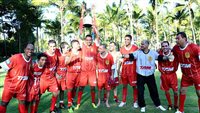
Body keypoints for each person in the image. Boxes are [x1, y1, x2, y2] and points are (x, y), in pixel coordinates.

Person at [123, 40, 166, 112]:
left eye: (143, 44)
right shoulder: (138, 52)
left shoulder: (153, 53)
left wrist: (169, 57)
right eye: (141, 44)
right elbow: (130, 55)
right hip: (140, 75)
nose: (141, 45)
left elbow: (161, 58)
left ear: (147, 44)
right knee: (140, 91)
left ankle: (158, 105)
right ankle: (142, 106)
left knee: (154, 91)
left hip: (150, 75)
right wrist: (122, 55)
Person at [76, 4, 100, 109]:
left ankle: (93, 102)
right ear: (86, 40)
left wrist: (94, 14)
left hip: (92, 72)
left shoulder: (95, 45)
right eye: (87, 40)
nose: (89, 41)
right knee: (81, 88)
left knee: (92, 88)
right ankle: (78, 103)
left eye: (90, 40)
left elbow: (97, 35)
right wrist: (82, 13)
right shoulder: (82, 45)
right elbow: (79, 32)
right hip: (83, 71)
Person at [0, 44, 34, 113]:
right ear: (24, 49)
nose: (30, 51)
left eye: (32, 49)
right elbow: (2, 66)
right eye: (28, 49)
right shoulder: (16, 57)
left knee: (22, 103)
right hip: (10, 86)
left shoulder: (30, 59)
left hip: (21, 88)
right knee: (4, 103)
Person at [173, 32, 200, 113]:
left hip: (197, 74)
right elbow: (172, 56)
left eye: (178, 38)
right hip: (185, 75)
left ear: (184, 38)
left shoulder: (193, 47)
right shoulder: (175, 48)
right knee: (182, 91)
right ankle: (181, 110)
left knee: (199, 94)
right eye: (176, 39)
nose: (176, 40)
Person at [118, 35, 139, 108]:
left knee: (134, 87)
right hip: (124, 71)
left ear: (130, 40)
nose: (126, 41)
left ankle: (135, 102)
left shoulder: (135, 48)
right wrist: (118, 69)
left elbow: (138, 58)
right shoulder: (122, 49)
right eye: (125, 39)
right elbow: (120, 60)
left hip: (133, 71)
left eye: (128, 39)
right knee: (124, 86)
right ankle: (123, 101)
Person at [158, 41, 179, 110]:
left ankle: (176, 105)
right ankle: (170, 104)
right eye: (163, 46)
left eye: (166, 45)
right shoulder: (159, 54)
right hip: (164, 75)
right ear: (161, 47)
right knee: (166, 91)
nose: (164, 47)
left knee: (175, 92)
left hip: (172, 75)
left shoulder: (174, 53)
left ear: (168, 46)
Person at [40, 40, 59, 113]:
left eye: (54, 46)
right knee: (38, 96)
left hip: (52, 78)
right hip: (43, 78)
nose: (52, 48)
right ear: (48, 46)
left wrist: (56, 73)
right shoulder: (44, 55)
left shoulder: (56, 55)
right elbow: (38, 66)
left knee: (56, 92)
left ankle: (52, 109)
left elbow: (56, 65)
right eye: (51, 46)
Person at [65, 40, 82, 113]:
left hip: (78, 73)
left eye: (78, 44)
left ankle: (71, 101)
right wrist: (72, 56)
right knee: (69, 89)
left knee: (75, 88)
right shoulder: (69, 52)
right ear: (73, 45)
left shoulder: (81, 52)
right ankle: (69, 105)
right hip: (71, 73)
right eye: (77, 44)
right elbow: (66, 62)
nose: (78, 45)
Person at [56, 42, 70, 109]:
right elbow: (54, 66)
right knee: (56, 91)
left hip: (64, 76)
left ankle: (61, 103)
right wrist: (56, 74)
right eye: (67, 47)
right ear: (62, 48)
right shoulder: (58, 55)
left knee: (62, 90)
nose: (68, 49)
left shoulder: (68, 55)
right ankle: (55, 105)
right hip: (58, 76)